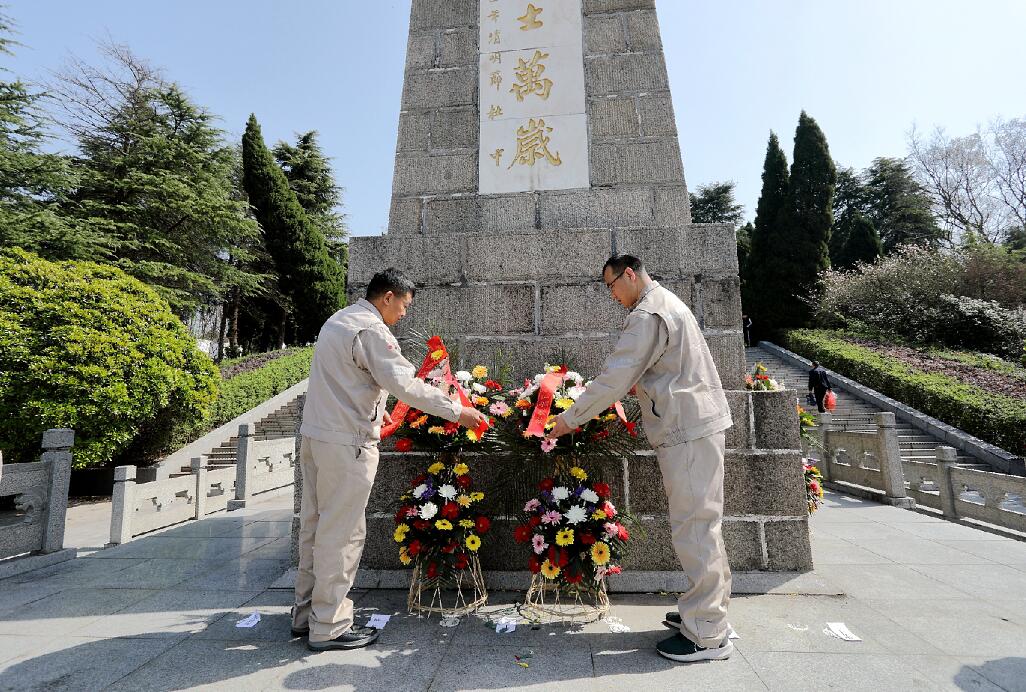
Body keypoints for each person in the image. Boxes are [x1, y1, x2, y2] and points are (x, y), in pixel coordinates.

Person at [548, 254, 735, 663]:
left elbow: (617, 375)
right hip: (694, 425)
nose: (612, 295)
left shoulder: (648, 312)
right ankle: (707, 614)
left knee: (696, 527)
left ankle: (706, 633)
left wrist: (568, 418)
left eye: (612, 285)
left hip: (687, 429)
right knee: (702, 523)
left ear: (630, 274)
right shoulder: (666, 302)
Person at [292, 268, 489, 652]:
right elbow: (406, 384)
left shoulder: (339, 320)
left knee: (314, 529)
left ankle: (306, 615)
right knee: (343, 534)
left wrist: (374, 409)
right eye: (404, 305)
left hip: (318, 437)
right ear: (387, 297)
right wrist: (456, 410)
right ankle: (329, 625)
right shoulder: (371, 330)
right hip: (347, 445)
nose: (404, 314)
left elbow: (346, 382)